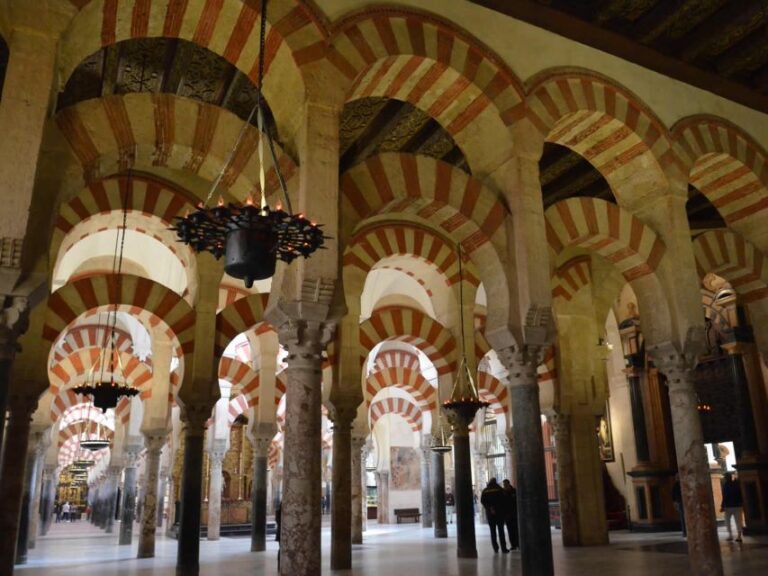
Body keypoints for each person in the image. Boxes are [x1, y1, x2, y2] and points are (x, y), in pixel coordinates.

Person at [480, 478, 508, 553]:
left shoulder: (485, 490)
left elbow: (482, 501)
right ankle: (503, 548)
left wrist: (489, 508)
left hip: (490, 513)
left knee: (492, 531)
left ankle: (495, 548)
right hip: (499, 513)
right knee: (501, 531)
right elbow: (504, 500)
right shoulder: (500, 489)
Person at [721, 473, 743, 542]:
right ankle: (738, 536)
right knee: (738, 521)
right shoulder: (736, 485)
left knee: (727, 521)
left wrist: (722, 506)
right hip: (737, 505)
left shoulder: (725, 486)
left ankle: (731, 535)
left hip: (729, 506)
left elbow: (725, 496)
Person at [502, 479, 519, 550]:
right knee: (510, 530)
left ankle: (518, 544)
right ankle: (513, 545)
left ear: (508, 484)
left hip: (514, 514)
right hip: (507, 514)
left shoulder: (514, 491)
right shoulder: (503, 492)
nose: (505, 486)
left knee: (516, 529)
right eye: (504, 485)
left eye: (506, 484)